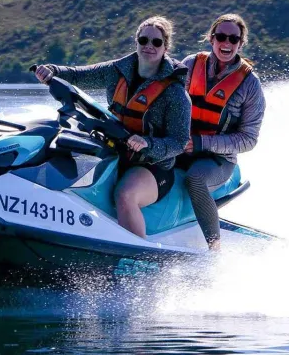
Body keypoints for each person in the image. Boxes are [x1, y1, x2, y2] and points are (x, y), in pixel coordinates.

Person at [34, 16, 191, 239]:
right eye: (143, 40)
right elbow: (79, 75)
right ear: (136, 42)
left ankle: (137, 258)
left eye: (156, 42)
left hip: (153, 166)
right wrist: (52, 71)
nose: (148, 46)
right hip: (112, 154)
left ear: (165, 47)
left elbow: (179, 141)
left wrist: (148, 143)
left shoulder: (175, 94)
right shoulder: (117, 70)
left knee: (125, 195)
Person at [180, 13, 266, 251]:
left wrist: (202, 143)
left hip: (218, 160)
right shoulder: (190, 64)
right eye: (221, 36)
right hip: (180, 147)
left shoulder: (250, 84)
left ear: (240, 43)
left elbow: (249, 139)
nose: (226, 43)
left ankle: (214, 249)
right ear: (211, 38)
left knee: (194, 179)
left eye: (233, 38)